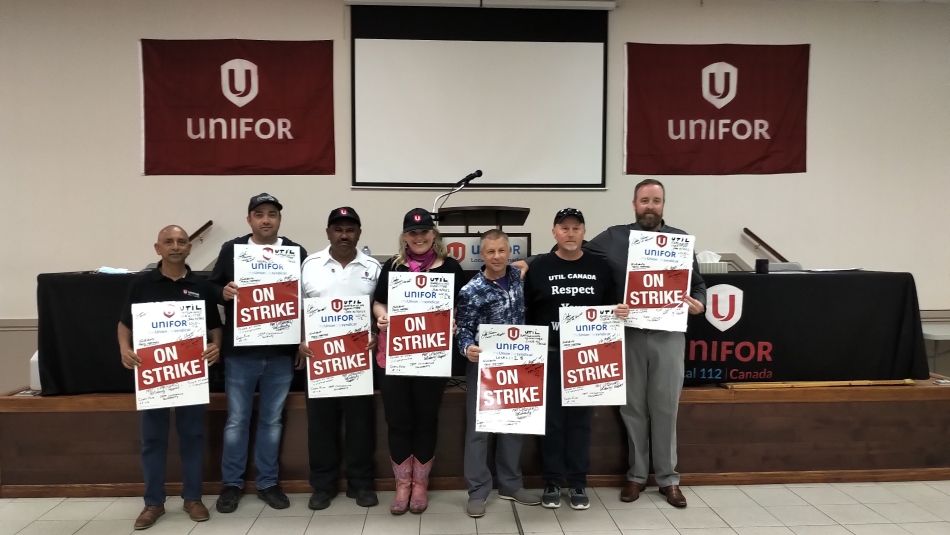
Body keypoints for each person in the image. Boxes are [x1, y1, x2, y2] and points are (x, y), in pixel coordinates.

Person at [585, 179, 706, 508]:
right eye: (644, 200)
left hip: (668, 336)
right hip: (630, 333)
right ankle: (637, 475)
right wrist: (531, 261)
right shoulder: (613, 237)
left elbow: (698, 286)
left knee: (665, 407)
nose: (650, 206)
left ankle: (668, 479)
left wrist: (699, 303)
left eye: (656, 200)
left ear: (663, 204)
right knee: (633, 407)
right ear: (634, 204)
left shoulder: (679, 240)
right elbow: (572, 251)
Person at [523, 209, 629, 510]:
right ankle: (553, 481)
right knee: (552, 423)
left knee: (581, 423)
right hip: (551, 354)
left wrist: (619, 312)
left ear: (584, 232)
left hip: (587, 356)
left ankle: (579, 483)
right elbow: (528, 313)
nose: (570, 233)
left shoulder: (601, 266)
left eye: (576, 228)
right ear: (554, 232)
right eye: (564, 228)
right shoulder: (539, 266)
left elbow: (611, 306)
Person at [118, 225, 222, 530]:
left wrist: (216, 346)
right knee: (152, 440)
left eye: (181, 241)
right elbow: (124, 324)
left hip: (189, 376)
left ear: (189, 247)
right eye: (169, 242)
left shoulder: (201, 286)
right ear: (158, 248)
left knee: (192, 438)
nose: (176, 246)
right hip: (155, 376)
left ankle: (193, 498)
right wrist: (125, 350)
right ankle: (153, 503)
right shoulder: (141, 284)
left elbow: (215, 327)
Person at [210, 193, 308, 513]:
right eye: (259, 214)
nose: (266, 220)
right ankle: (232, 485)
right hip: (241, 353)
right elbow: (210, 286)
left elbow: (307, 301)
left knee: (272, 421)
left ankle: (268, 482)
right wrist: (223, 291)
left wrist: (302, 341)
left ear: (280, 219)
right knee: (237, 421)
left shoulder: (295, 252)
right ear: (249, 219)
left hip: (280, 351)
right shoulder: (232, 250)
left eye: (272, 214)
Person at [372, 208, 465, 515]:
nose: (419, 237)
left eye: (424, 232)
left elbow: (458, 306)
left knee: (426, 419)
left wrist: (452, 322)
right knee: (397, 421)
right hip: (396, 358)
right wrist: (382, 316)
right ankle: (402, 486)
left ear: (433, 234)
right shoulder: (394, 266)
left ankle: (421, 485)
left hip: (431, 358)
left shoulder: (450, 267)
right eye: (413, 233)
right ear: (404, 237)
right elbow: (379, 301)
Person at [296, 207, 381, 510]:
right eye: (338, 229)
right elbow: (297, 307)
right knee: (321, 425)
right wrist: (301, 340)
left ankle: (361, 484)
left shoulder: (373, 267)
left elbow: (381, 309)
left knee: (360, 424)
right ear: (328, 231)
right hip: (320, 359)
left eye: (350, 229)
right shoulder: (309, 265)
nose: (344, 235)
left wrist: (375, 334)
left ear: (359, 232)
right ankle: (323, 485)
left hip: (359, 359)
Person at [456, 229, 541, 518]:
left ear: (510, 252)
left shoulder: (518, 277)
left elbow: (540, 262)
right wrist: (467, 347)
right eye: (490, 252)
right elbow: (462, 330)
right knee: (478, 432)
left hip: (517, 365)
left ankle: (510, 485)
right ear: (481, 254)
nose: (496, 257)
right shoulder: (471, 290)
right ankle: (478, 490)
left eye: (501, 251)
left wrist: (527, 264)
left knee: (512, 427)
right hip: (482, 368)